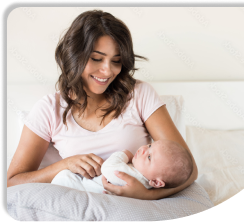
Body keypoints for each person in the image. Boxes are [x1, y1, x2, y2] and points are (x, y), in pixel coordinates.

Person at [7, 9, 198, 200]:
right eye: (97, 59)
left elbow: (190, 172)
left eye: (116, 61)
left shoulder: (139, 94)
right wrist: (64, 165)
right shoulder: (50, 109)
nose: (107, 71)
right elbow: (12, 183)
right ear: (74, 55)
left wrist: (148, 195)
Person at [51, 139, 193, 194]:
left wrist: (124, 154)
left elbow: (108, 168)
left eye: (149, 157)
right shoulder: (145, 182)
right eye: (149, 145)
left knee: (64, 177)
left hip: (81, 188)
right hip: (86, 188)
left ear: (156, 182)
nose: (143, 149)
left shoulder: (134, 177)